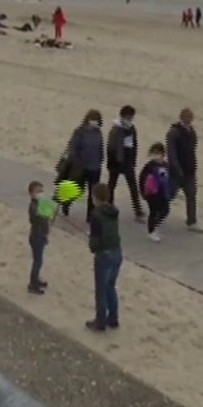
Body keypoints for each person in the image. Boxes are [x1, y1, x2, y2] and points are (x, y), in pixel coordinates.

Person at [86, 183, 122, 332]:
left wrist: (93, 246)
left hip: (104, 254)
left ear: (95, 197)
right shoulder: (113, 211)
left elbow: (95, 239)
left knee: (101, 289)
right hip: (117, 252)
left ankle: (100, 321)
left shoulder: (96, 214)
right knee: (111, 286)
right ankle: (113, 318)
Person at [55, 109, 104, 218]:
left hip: (95, 167)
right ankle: (66, 204)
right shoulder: (80, 132)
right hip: (81, 167)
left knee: (93, 193)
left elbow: (100, 148)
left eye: (97, 120)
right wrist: (78, 162)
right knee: (76, 189)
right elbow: (73, 149)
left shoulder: (98, 133)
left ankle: (91, 216)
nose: (94, 122)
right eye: (93, 119)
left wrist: (101, 160)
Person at [166, 108, 202, 232]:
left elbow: (193, 149)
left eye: (191, 117)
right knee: (169, 195)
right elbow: (171, 153)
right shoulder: (174, 132)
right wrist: (177, 169)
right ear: (182, 117)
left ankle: (191, 222)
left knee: (191, 195)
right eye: (188, 117)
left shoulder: (192, 131)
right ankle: (156, 212)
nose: (190, 119)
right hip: (177, 172)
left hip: (189, 171)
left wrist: (193, 165)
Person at [106, 105, 144, 220]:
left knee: (133, 186)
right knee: (112, 185)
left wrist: (133, 160)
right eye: (129, 116)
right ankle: (108, 207)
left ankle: (138, 210)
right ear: (123, 116)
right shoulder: (116, 128)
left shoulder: (131, 128)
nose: (131, 118)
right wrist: (114, 161)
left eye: (131, 116)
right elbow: (111, 146)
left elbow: (134, 144)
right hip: (117, 162)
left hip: (127, 161)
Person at [140, 143, 173, 242]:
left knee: (165, 211)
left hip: (163, 193)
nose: (156, 155)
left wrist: (170, 191)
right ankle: (151, 232)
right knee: (153, 212)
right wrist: (143, 192)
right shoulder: (149, 166)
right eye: (154, 153)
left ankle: (154, 226)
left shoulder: (166, 165)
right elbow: (142, 179)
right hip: (152, 194)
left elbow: (169, 179)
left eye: (158, 153)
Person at [26, 180, 54, 295]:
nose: (40, 193)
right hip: (36, 236)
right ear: (31, 193)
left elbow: (47, 220)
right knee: (37, 261)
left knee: (39, 260)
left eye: (42, 191)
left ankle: (36, 279)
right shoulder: (33, 206)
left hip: (41, 235)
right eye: (38, 191)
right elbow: (39, 218)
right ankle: (33, 283)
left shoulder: (40, 204)